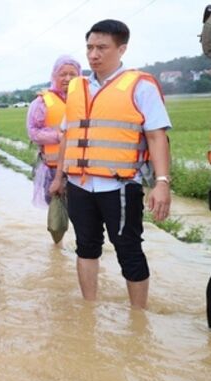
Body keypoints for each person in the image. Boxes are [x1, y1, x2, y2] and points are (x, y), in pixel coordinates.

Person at [49, 19, 172, 309]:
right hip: (79, 184)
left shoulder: (141, 86)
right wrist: (59, 177)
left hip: (119, 185)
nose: (94, 54)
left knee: (128, 249)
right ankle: (89, 310)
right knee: (86, 247)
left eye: (102, 47)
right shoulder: (77, 87)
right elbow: (67, 136)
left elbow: (156, 137)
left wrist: (162, 183)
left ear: (122, 48)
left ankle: (138, 317)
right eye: (90, 47)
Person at [27, 56, 81, 210]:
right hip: (52, 169)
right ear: (54, 76)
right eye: (62, 74)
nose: (68, 78)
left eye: (72, 74)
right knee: (58, 216)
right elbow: (33, 132)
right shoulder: (42, 102)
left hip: (81, 170)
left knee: (83, 217)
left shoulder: (85, 99)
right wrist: (59, 136)